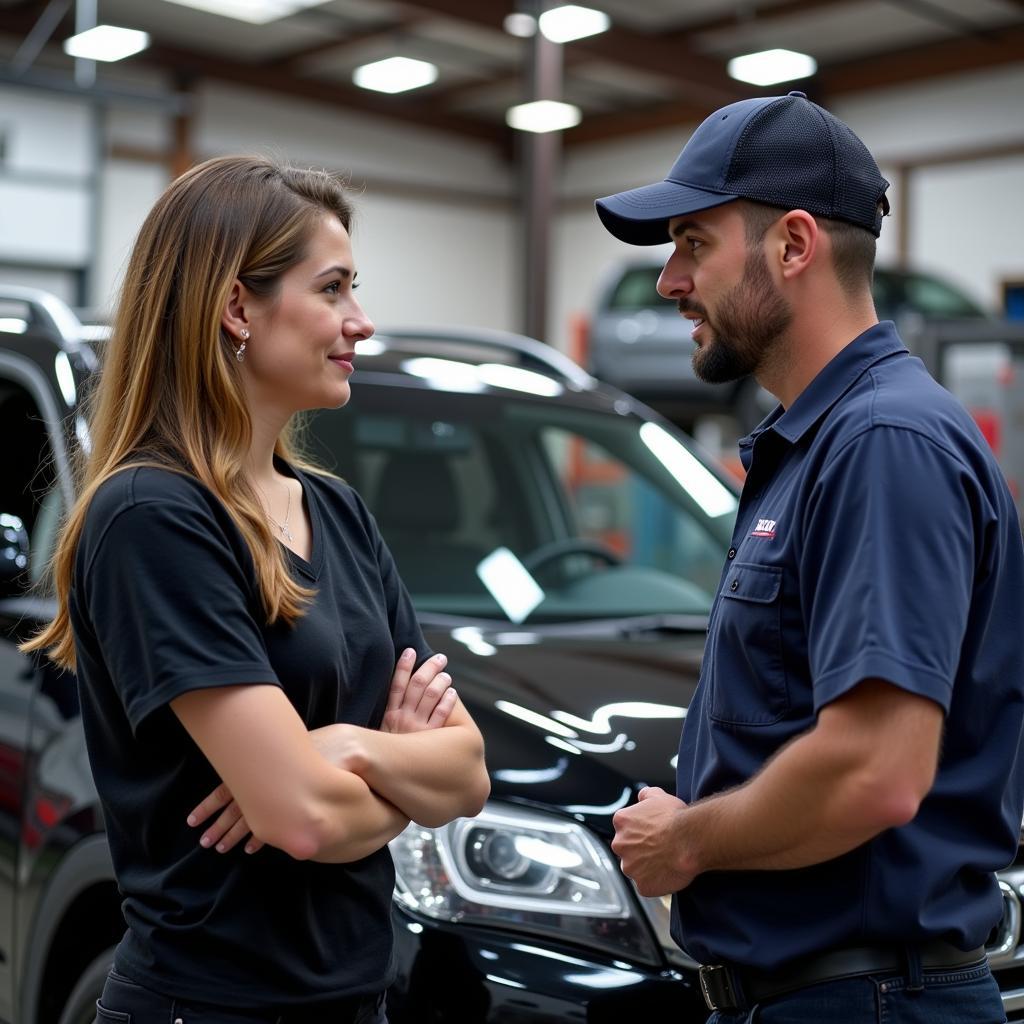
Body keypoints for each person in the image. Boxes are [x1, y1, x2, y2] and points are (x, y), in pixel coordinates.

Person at [23, 155, 490, 1024]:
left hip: (355, 1000)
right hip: (208, 1006)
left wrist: (342, 748)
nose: (363, 322)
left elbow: (466, 774)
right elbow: (306, 820)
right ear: (238, 306)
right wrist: (376, 773)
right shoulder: (151, 516)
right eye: (335, 289)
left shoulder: (339, 512)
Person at [596, 91, 1024, 1023]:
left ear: (793, 246)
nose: (671, 280)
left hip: (860, 999)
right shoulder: (821, 443)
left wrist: (690, 841)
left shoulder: (883, 444)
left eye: (694, 244)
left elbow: (876, 769)